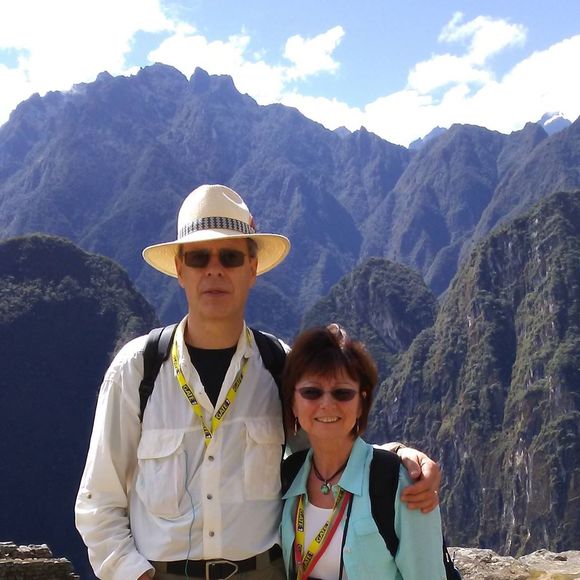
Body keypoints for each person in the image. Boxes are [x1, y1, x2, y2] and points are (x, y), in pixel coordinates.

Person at [75, 184, 441, 580]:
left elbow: (330, 445)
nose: (214, 269)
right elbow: (98, 500)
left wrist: (396, 457)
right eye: (199, 257)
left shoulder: (279, 366)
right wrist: (133, 574)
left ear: (252, 269)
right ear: (180, 270)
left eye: (230, 257)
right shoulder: (138, 371)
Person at [280, 324, 446, 579]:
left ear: (361, 403)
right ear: (293, 402)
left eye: (342, 393)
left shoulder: (400, 485)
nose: (327, 404)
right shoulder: (289, 476)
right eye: (312, 392)